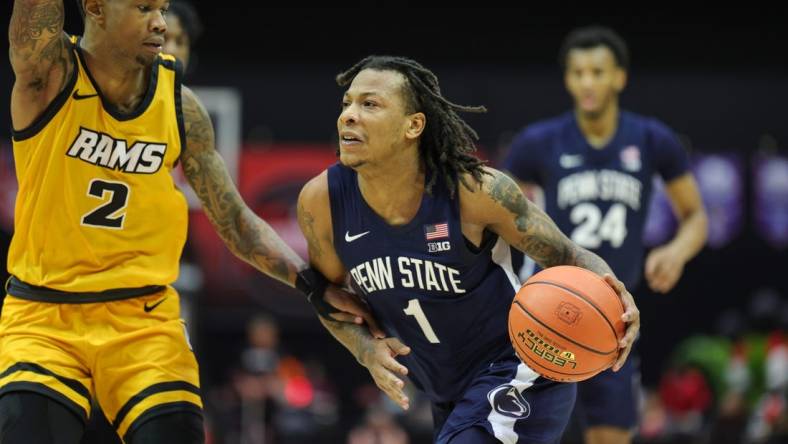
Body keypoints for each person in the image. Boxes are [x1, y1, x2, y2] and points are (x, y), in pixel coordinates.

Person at [3, 1, 379, 443]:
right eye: (144, 8)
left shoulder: (182, 106)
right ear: (95, 9)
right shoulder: (47, 73)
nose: (160, 22)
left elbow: (235, 220)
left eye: (161, 8)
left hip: (142, 320)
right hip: (45, 314)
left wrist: (312, 284)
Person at [297, 55, 640, 444]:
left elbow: (569, 256)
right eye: (347, 104)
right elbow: (329, 300)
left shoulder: (475, 191)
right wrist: (364, 350)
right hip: (449, 395)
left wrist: (617, 296)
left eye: (369, 104)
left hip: (520, 368)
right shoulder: (322, 202)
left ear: (414, 125)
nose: (349, 116)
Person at [502, 26, 708, 444]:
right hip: (548, 303)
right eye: (578, 73)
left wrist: (676, 251)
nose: (588, 82)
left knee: (613, 434)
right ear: (567, 80)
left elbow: (696, 216)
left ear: (620, 77)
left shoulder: (652, 139)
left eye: (597, 72)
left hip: (613, 315)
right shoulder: (538, 142)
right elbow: (492, 212)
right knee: (526, 432)